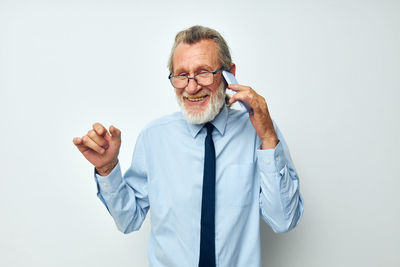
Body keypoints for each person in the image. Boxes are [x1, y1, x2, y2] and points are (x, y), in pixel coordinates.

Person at [73, 25, 303, 267]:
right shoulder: (154, 138)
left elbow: (283, 220)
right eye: (181, 75)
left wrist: (268, 138)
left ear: (229, 74)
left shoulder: (259, 132)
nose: (191, 88)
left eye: (203, 72)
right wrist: (108, 169)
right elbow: (128, 220)